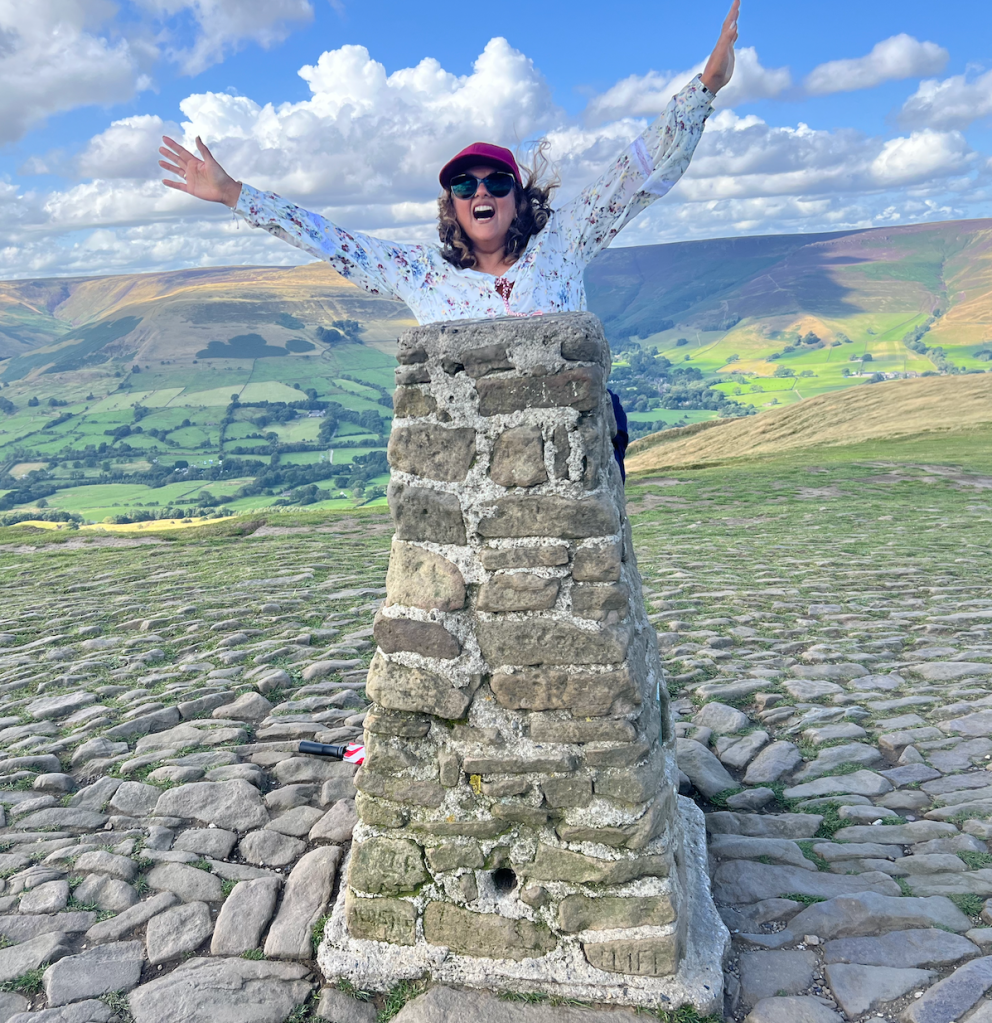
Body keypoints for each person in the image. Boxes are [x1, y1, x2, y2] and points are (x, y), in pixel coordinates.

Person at [159, 2, 739, 479]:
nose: (480, 191)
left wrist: (706, 87)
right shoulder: (423, 273)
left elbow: (634, 175)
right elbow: (333, 241)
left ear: (518, 197)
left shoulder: (562, 243)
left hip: (573, 465)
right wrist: (236, 194)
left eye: (496, 182)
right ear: (453, 206)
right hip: (472, 478)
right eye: (464, 185)